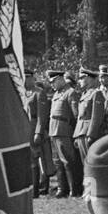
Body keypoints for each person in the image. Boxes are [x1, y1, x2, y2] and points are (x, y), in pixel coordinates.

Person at [47, 69, 81, 198]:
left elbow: (75, 115)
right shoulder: (56, 94)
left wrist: (73, 132)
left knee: (68, 161)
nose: (52, 85)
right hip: (53, 130)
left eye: (53, 81)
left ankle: (74, 189)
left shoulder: (70, 93)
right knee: (57, 162)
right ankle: (62, 188)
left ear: (61, 79)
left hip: (64, 130)